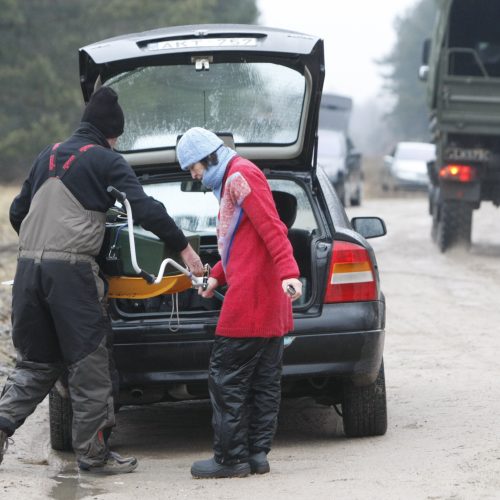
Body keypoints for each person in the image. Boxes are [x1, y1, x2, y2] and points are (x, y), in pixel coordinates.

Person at [0, 87, 203, 474]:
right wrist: (185, 250)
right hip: (70, 275)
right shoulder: (107, 160)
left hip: (27, 270)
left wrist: (41, 245)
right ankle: (93, 456)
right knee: (89, 364)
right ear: (112, 132)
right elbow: (145, 209)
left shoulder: (49, 154)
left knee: (37, 364)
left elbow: (17, 212)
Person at [176, 127, 302, 479]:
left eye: (194, 166)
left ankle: (231, 459)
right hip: (267, 301)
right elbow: (241, 242)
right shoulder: (232, 177)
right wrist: (216, 274)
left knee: (226, 380)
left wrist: (289, 271)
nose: (194, 174)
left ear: (210, 155)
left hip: (251, 301)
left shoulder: (241, 176)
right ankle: (257, 455)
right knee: (264, 380)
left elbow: (272, 227)